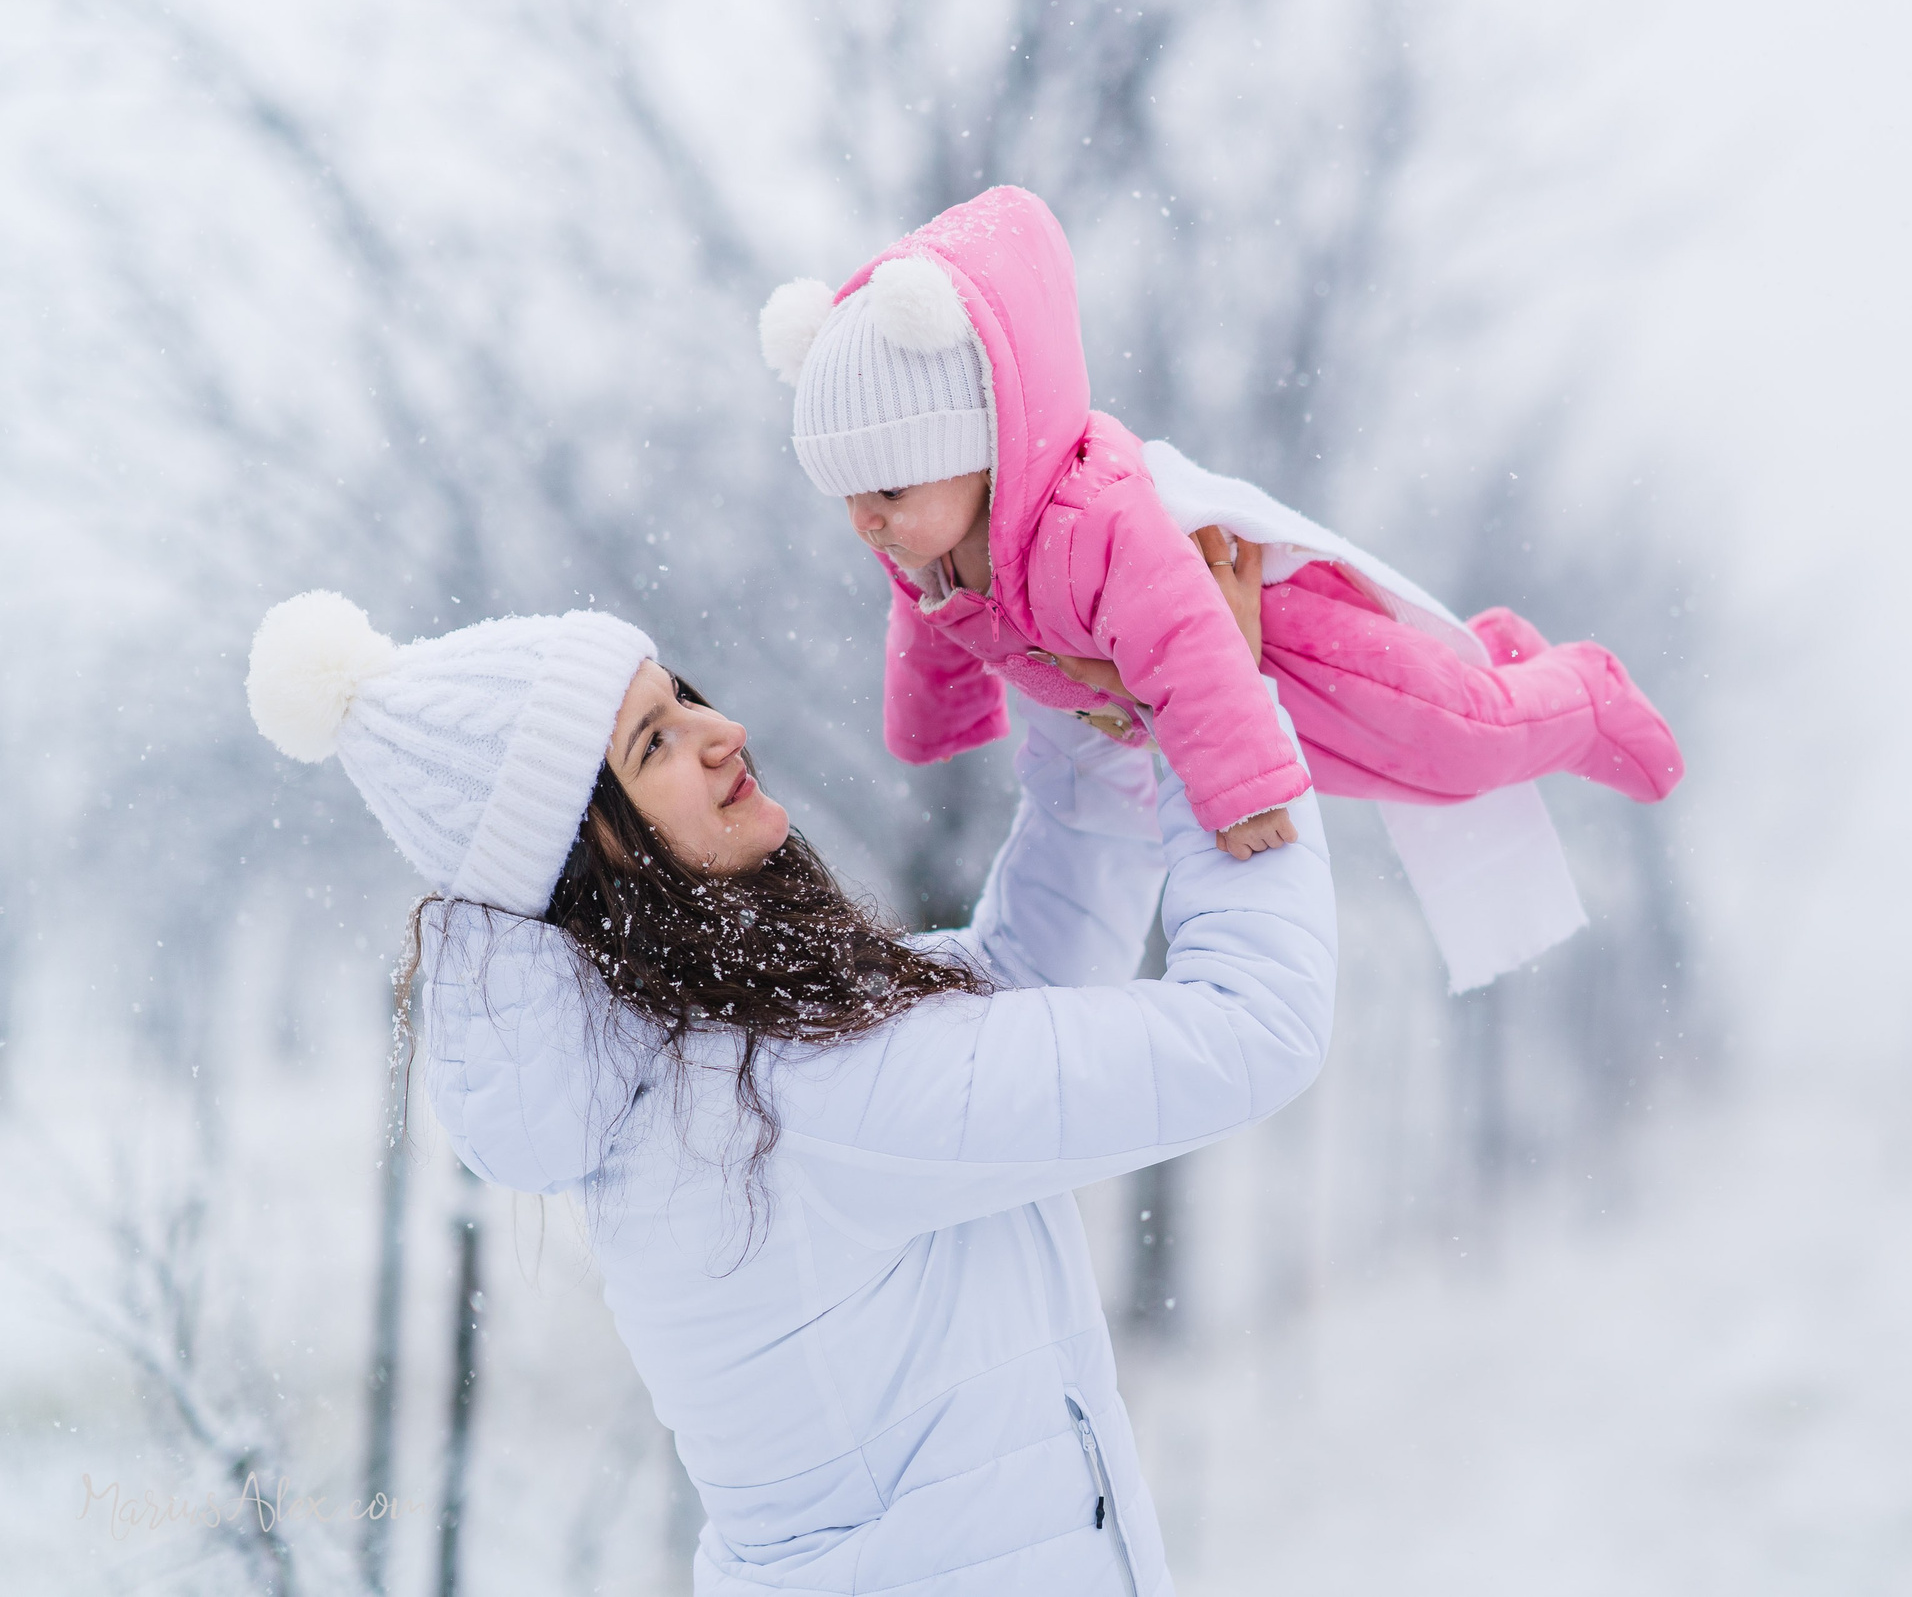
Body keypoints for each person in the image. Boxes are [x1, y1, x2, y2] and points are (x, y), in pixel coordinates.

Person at [242, 553, 1332, 1596]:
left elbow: (1023, 983)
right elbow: (1257, 1023)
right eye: (654, 743)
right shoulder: (795, 1094)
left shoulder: (697, 1079)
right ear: (591, 854)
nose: (723, 733)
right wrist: (1222, 721)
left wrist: (1086, 700)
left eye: (683, 699)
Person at [755, 184, 1686, 872]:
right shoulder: (928, 542)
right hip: (1213, 704)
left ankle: (1582, 691)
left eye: (887, 487)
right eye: (847, 496)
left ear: (982, 441)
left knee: (1456, 748)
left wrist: (1239, 792)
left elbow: (1188, 638)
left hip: (1286, 639)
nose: (867, 521)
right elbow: (930, 632)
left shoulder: (1086, 516)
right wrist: (935, 729)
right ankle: (1498, 654)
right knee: (1398, 776)